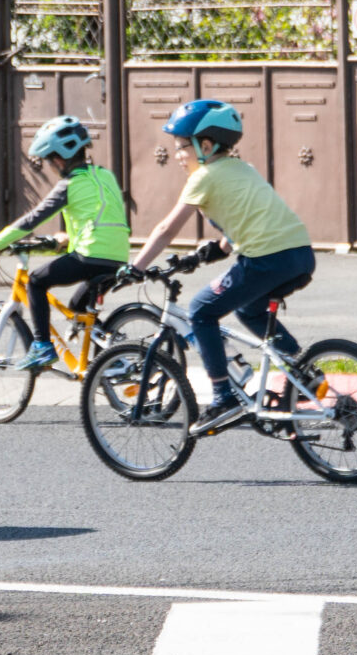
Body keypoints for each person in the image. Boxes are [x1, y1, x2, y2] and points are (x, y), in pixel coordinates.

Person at [127, 99, 315, 430]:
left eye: (182, 146)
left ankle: (222, 398)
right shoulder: (244, 169)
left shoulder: (204, 177)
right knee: (249, 310)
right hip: (299, 254)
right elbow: (249, 218)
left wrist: (136, 267)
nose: (177, 154)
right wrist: (210, 252)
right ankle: (305, 372)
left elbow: (166, 229)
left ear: (207, 145)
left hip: (265, 259)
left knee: (201, 310)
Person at [0, 115, 131, 370]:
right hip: (118, 257)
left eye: (49, 161)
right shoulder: (105, 176)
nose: (50, 166)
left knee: (36, 281)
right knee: (78, 308)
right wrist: (69, 237)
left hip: (89, 256)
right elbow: (100, 213)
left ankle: (42, 347)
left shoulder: (69, 185)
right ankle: (112, 360)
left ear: (58, 159)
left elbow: (31, 220)